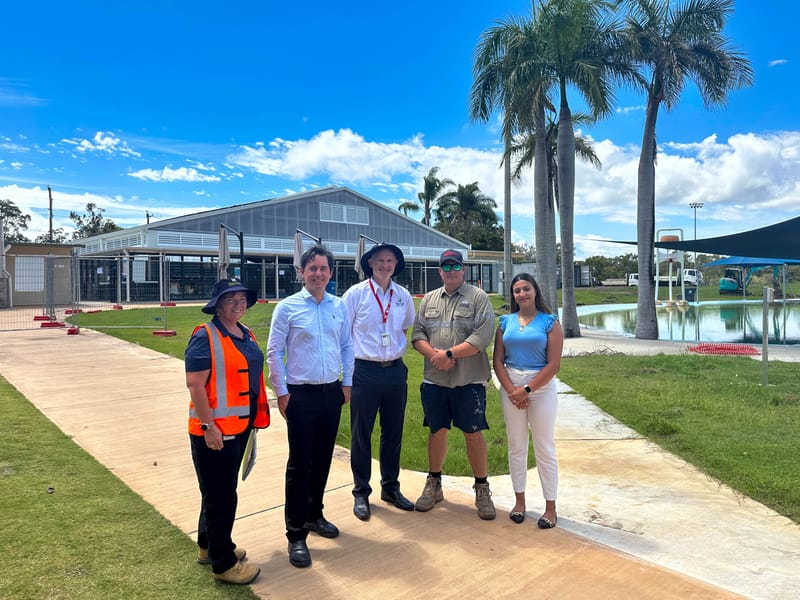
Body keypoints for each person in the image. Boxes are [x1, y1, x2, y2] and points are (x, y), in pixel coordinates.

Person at [267, 245, 354, 569]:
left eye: (323, 268)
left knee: (322, 460)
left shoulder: (339, 306)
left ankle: (315, 514)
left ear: (330, 273)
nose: (318, 273)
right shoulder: (288, 308)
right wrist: (282, 391)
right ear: (301, 272)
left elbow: (347, 345)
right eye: (312, 268)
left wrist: (347, 384)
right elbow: (274, 351)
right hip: (300, 395)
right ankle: (296, 533)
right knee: (299, 464)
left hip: (331, 392)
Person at [185, 278, 270, 585]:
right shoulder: (205, 336)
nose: (238, 303)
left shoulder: (245, 333)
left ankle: (209, 547)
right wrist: (209, 427)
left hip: (239, 426)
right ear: (217, 304)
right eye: (230, 298)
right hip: (214, 430)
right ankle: (224, 563)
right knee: (221, 497)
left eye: (242, 298)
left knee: (217, 492)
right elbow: (195, 383)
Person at [411, 249, 497, 520]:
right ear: (440, 271)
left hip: (468, 380)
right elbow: (418, 334)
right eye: (445, 266)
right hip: (435, 380)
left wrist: (448, 354)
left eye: (455, 266)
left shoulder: (478, 298)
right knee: (437, 431)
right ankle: (434, 484)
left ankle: (482, 488)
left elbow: (482, 336)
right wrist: (434, 356)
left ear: (463, 269)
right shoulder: (429, 300)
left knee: (473, 432)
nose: (450, 271)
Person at [342, 243, 416, 521]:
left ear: (396, 265)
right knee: (362, 433)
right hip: (365, 371)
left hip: (395, 371)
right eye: (380, 260)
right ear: (370, 263)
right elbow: (344, 334)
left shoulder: (403, 296)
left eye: (391, 261)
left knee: (393, 432)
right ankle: (361, 491)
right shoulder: (355, 295)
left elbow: (405, 326)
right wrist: (347, 376)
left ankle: (390, 487)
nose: (386, 265)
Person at [492, 273, 563, 529]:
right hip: (511, 385)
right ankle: (519, 502)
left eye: (526, 289)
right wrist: (512, 390)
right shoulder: (505, 322)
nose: (522, 294)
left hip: (540, 387)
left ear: (535, 291)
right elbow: (497, 360)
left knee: (544, 447)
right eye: (517, 290)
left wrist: (528, 390)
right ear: (513, 295)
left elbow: (554, 364)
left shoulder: (550, 322)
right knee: (516, 445)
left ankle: (550, 508)